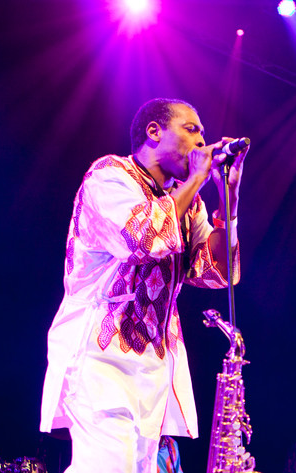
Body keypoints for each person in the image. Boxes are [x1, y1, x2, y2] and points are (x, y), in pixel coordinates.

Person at [39, 98, 248, 473]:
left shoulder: (188, 203)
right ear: (154, 132)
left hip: (152, 370)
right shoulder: (109, 176)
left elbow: (218, 272)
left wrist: (227, 202)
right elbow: (143, 239)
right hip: (100, 359)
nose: (203, 142)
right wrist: (198, 179)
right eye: (191, 129)